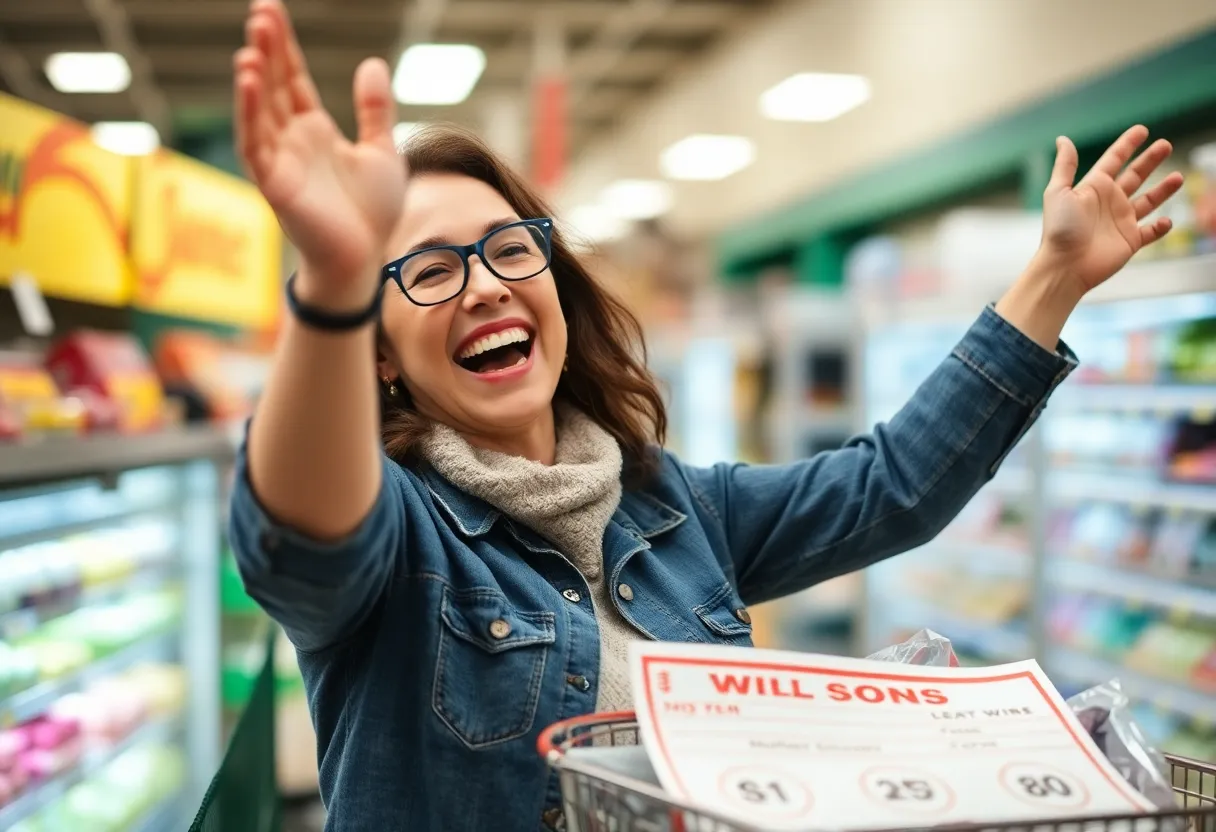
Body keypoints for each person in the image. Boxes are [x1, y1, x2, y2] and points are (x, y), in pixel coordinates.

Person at [227, 1, 1184, 829]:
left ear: (553, 283)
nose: (484, 287)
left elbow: (891, 487)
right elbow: (300, 531)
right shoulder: (403, 541)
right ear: (381, 354)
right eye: (431, 270)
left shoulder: (675, 506)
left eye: (510, 250)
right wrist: (334, 283)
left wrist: (1053, 276)